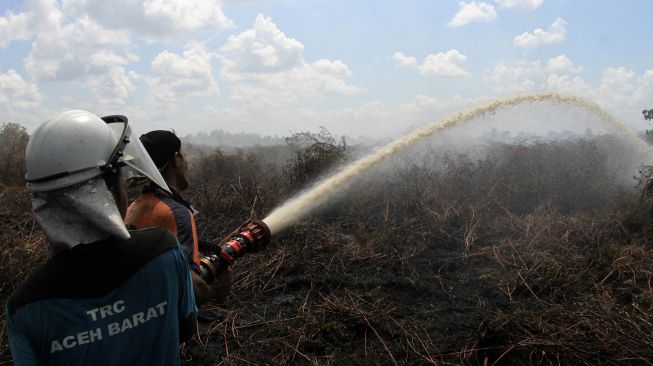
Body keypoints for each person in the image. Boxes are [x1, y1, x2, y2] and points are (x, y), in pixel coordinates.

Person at [5, 110, 197, 365]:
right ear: (108, 187)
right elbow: (185, 328)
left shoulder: (23, 307)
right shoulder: (164, 252)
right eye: (120, 177)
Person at [125, 130, 231, 306]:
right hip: (168, 324)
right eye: (183, 156)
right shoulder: (177, 213)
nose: (186, 163)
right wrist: (214, 291)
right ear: (175, 159)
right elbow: (190, 288)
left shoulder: (134, 207)